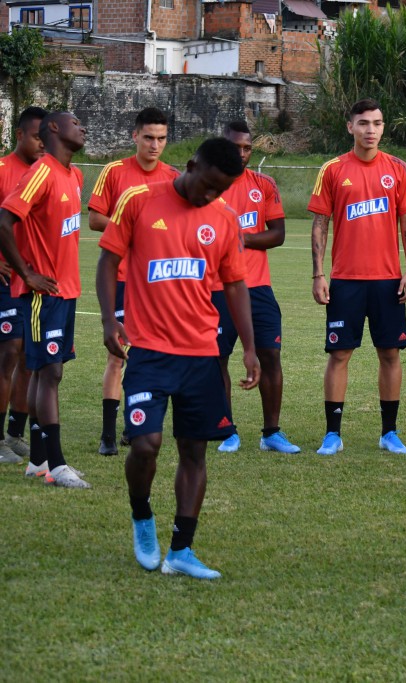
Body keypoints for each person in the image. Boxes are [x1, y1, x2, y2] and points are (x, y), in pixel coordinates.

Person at [96, 137, 258, 579]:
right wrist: (111, 321)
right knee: (146, 445)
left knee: (194, 451)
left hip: (201, 352)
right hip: (148, 349)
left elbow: (236, 285)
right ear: (190, 165)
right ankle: (141, 515)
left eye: (220, 190)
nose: (211, 196)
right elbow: (108, 262)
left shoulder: (224, 219)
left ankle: (182, 550)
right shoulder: (139, 200)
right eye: (206, 185)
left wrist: (249, 346)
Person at [308, 99, 406, 455]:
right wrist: (318, 274)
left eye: (377, 123)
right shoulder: (332, 170)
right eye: (363, 123)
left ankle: (389, 433)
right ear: (350, 127)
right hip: (345, 280)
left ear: (383, 127)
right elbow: (320, 224)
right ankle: (332, 434)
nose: (370, 130)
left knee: (390, 353)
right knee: (340, 354)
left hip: (388, 280)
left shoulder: (398, 169)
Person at [0, 111, 89, 488]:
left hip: (65, 292)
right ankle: (56, 463)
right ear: (54, 127)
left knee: (46, 372)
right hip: (40, 296)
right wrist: (26, 274)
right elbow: (4, 221)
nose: (82, 127)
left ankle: (37, 460)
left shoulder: (75, 175)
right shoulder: (41, 171)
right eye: (75, 122)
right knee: (48, 373)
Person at [88, 107, 179, 455]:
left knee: (152, 354)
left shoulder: (172, 177)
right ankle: (108, 435)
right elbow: (95, 217)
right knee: (118, 355)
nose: (155, 145)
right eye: (148, 138)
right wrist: (133, 223)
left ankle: (134, 425)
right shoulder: (114, 172)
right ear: (134, 137)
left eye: (161, 139)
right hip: (123, 278)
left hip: (156, 282)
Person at [212, 121, 299, 454]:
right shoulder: (208, 187)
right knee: (217, 359)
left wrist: (240, 238)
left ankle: (271, 433)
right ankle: (226, 430)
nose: (242, 154)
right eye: (236, 148)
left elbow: (277, 234)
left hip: (257, 287)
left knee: (271, 356)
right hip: (217, 289)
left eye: (247, 148)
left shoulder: (263, 184)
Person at [0, 106, 46, 464]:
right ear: (19, 135)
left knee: (31, 359)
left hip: (36, 283)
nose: (42, 143)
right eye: (35, 136)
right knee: (8, 353)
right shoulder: (3, 171)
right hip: (7, 280)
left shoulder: (48, 173)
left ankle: (15, 434)